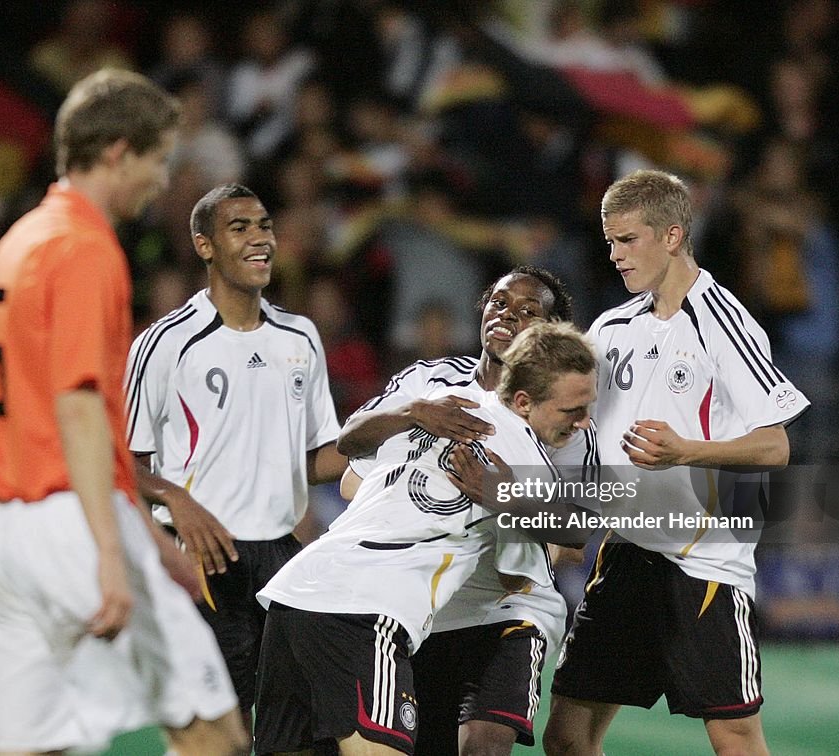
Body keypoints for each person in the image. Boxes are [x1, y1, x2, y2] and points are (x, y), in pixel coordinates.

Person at [0, 69, 247, 755]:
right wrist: (113, 553)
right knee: (213, 731)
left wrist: (148, 542)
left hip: (4, 534)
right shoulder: (87, 248)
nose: (161, 182)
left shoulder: (20, 241)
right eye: (158, 160)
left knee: (34, 749)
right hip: (73, 521)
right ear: (120, 152)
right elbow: (80, 408)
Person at [543, 169, 810, 756]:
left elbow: (776, 445)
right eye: (609, 241)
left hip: (704, 563)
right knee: (566, 735)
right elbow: (585, 439)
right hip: (628, 553)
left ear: (671, 236)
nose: (613, 255)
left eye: (627, 240)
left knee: (735, 738)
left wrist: (687, 451)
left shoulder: (724, 324)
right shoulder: (612, 328)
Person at [255, 321, 598, 755]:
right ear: (525, 401)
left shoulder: (439, 404)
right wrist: (503, 498)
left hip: (296, 594)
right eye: (573, 411)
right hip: (366, 610)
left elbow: (351, 467)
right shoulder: (520, 454)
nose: (584, 423)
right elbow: (542, 559)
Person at [338, 266, 596, 756]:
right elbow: (353, 471)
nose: (508, 316)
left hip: (511, 608)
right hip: (426, 608)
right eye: (499, 303)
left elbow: (575, 530)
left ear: (549, 330)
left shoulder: (563, 413)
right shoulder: (426, 382)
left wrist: (497, 495)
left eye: (528, 311)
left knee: (483, 745)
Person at [124, 183, 347, 731]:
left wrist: (399, 438)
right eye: (240, 228)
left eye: (265, 226)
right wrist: (176, 499)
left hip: (282, 559)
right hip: (204, 557)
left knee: (292, 732)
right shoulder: (165, 343)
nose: (259, 239)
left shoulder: (301, 335)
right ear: (204, 246)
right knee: (218, 733)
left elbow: (317, 457)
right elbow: (120, 462)